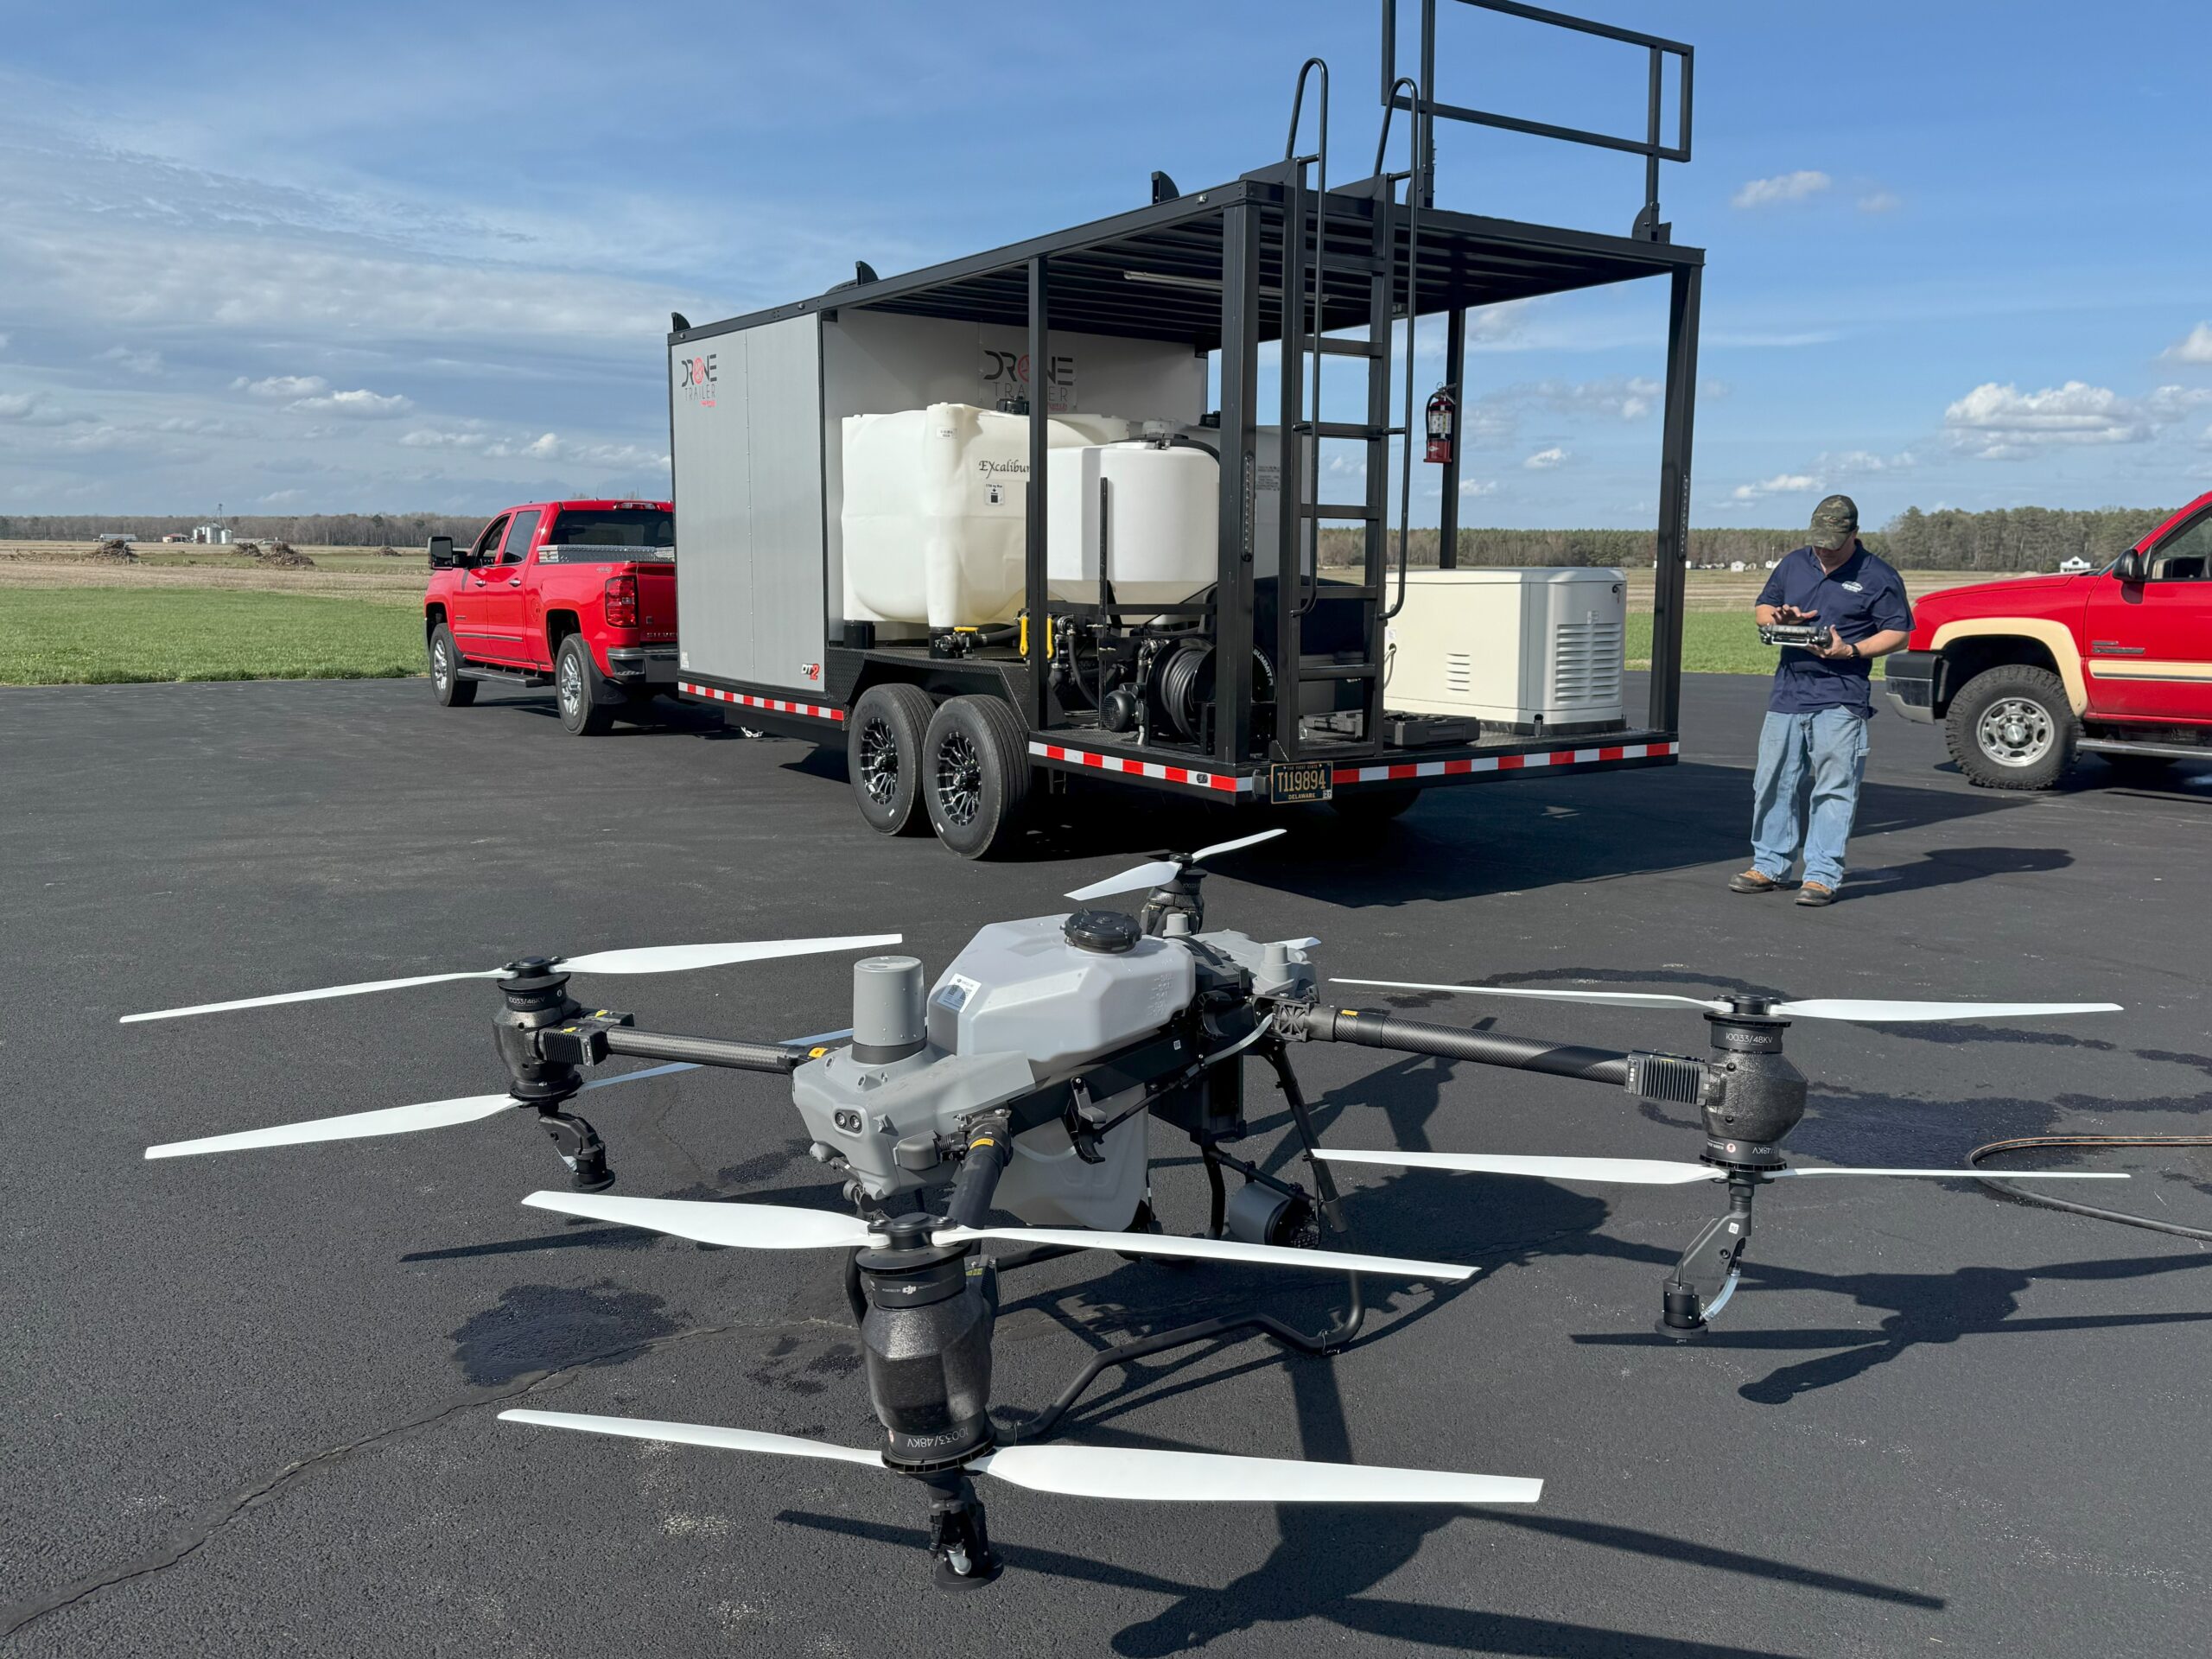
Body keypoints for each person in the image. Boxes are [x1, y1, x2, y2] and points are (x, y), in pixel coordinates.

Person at [1731, 495, 1912, 906]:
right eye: (1818, 539)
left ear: (1853, 534)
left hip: (1841, 695)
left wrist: (1851, 650)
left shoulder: (1878, 575)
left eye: (1832, 540)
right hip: (1788, 693)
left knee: (1834, 786)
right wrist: (1780, 619)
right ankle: (1770, 864)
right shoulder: (1794, 563)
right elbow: (1762, 608)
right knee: (1772, 782)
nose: (1823, 548)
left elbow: (1898, 633)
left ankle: (1821, 875)